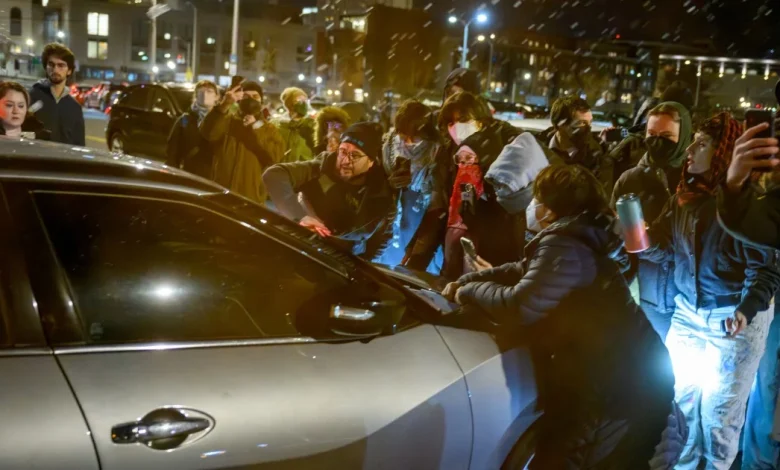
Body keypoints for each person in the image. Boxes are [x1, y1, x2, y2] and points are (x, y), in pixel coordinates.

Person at [443, 164, 682, 468]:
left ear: (552, 208)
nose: (532, 206)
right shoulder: (575, 237)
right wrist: (469, 281)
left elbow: (521, 305)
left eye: (537, 198)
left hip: (622, 390)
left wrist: (467, 293)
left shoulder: (566, 244)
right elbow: (522, 271)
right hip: (619, 378)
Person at [640, 112, 780, 469]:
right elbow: (665, 246)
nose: (690, 150)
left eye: (702, 144)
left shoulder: (745, 205)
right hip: (687, 314)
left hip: (732, 321)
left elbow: (764, 268)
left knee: (719, 419)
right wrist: (637, 237)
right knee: (679, 407)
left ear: (725, 152)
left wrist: (745, 311)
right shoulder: (684, 197)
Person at [611, 101, 692, 340]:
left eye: (667, 136)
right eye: (652, 134)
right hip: (646, 292)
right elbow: (612, 235)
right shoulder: (630, 179)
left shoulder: (697, 180)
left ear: (684, 135)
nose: (657, 141)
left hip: (688, 296)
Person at [263, 122, 396, 260]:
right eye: (343, 151)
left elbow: (381, 237)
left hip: (342, 263)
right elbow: (274, 175)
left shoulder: (380, 192)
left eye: (355, 155)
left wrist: (364, 265)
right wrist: (300, 216)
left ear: (371, 161)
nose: (345, 161)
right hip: (302, 249)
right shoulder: (319, 169)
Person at [437, 91, 525, 279]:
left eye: (463, 119)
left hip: (492, 249)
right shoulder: (451, 156)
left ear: (481, 120)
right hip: (455, 242)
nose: (457, 127)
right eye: (451, 122)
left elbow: (501, 211)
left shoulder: (500, 154)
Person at [376, 99, 447, 272]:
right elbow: (375, 182)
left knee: (416, 270)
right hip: (392, 217)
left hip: (422, 215)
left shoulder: (437, 151)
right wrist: (389, 184)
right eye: (403, 135)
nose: (407, 141)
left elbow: (440, 195)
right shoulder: (389, 145)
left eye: (413, 136)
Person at [201, 80, 285, 205]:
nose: (250, 100)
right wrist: (224, 105)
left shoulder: (269, 129)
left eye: (255, 97)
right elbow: (207, 133)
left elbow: (275, 157)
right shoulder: (227, 121)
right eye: (246, 96)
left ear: (261, 102)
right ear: (239, 100)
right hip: (222, 194)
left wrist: (256, 127)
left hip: (251, 198)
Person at [536, 95, 613, 190]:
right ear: (559, 125)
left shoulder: (597, 157)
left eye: (589, 122)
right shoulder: (536, 147)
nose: (588, 128)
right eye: (581, 123)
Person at [28, 43, 84, 146]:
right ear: (46, 67)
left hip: (65, 160)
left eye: (61, 65)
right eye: (51, 64)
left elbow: (79, 144)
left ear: (69, 71)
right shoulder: (31, 97)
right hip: (36, 158)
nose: (55, 70)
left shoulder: (75, 107)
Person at [165, 80, 219, 178]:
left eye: (209, 91)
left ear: (217, 97)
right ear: (196, 96)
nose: (205, 95)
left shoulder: (222, 119)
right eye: (201, 92)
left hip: (215, 175)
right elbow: (173, 150)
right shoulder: (185, 119)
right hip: (191, 173)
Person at [276, 87, 315, 163]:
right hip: (283, 167)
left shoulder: (311, 124)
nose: (303, 103)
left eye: (304, 100)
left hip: (305, 168)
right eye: (298, 100)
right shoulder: (279, 124)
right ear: (289, 104)